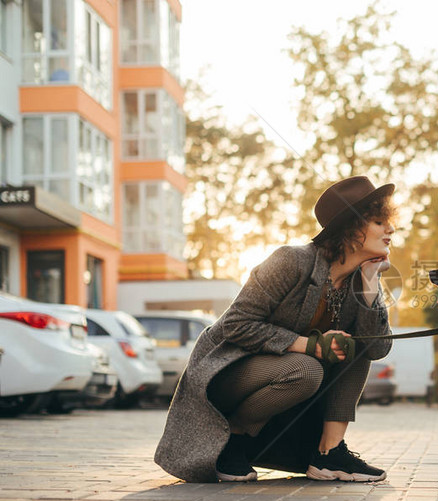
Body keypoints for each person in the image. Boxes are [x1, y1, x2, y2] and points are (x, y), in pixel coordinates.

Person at [154, 176, 396, 483]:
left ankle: (328, 454)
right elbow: (235, 324)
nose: (391, 230)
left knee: (356, 346)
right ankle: (234, 438)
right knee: (306, 368)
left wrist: (370, 286)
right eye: (379, 221)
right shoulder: (291, 261)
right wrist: (309, 346)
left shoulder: (360, 281)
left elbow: (377, 348)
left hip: (286, 382)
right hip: (230, 372)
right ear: (350, 228)